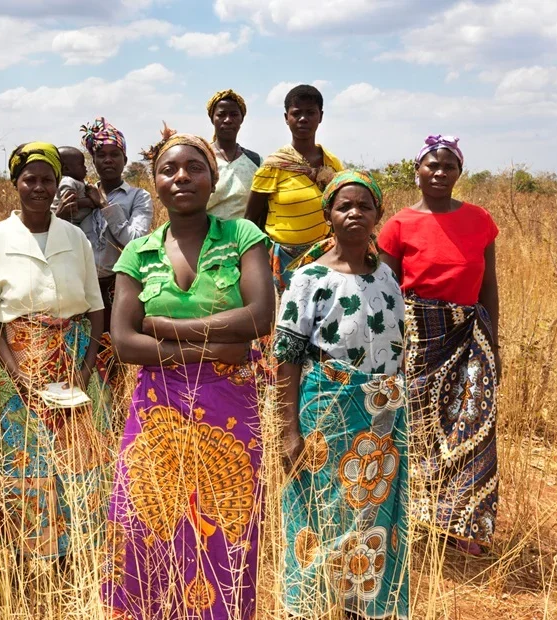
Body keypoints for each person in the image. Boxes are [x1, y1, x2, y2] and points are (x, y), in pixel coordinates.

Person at [101, 126, 275, 619]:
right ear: (154, 181)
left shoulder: (242, 236)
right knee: (141, 523)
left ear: (213, 178)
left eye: (194, 168)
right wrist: (217, 344)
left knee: (226, 525)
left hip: (230, 406)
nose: (181, 177)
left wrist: (165, 327)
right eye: (168, 169)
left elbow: (260, 316)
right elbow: (126, 343)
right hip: (156, 405)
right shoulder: (138, 253)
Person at [0, 141, 112, 560]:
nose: (38, 187)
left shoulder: (74, 237)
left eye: (46, 179)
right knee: (24, 459)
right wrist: (18, 376)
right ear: (15, 183)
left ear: (56, 184)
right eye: (29, 179)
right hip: (17, 361)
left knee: (82, 457)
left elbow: (95, 309)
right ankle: (33, 553)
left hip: (73, 361)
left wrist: (85, 371)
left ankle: (81, 552)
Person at [276, 170, 409, 619]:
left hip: (383, 418)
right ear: (327, 215)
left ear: (378, 215)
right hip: (326, 412)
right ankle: (312, 607)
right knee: (321, 513)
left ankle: (360, 607)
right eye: (344, 206)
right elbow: (288, 357)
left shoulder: (389, 277)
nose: (354, 213)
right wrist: (287, 431)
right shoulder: (308, 279)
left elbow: (398, 347)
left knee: (372, 519)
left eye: (364, 206)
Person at [378, 135, 500, 556]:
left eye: (448, 166)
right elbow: (387, 291)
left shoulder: (481, 220)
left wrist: (493, 345)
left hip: (469, 332)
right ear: (418, 170)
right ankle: (419, 517)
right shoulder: (398, 225)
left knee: (472, 423)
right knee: (418, 425)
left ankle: (467, 524)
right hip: (417, 332)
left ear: (458, 173)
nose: (439, 172)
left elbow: (490, 287)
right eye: (432, 165)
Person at [245, 84, 343, 292]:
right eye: (296, 113)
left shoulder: (332, 163)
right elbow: (251, 219)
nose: (303, 119)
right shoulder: (273, 165)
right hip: (282, 260)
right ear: (286, 117)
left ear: (321, 116)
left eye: (310, 113)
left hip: (323, 255)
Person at [79, 117, 154, 334]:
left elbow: (135, 241)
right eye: (101, 155)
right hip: (83, 283)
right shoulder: (81, 194)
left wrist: (103, 204)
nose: (108, 160)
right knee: (83, 345)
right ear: (93, 161)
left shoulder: (138, 197)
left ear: (125, 159)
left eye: (115, 155)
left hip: (119, 283)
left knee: (116, 345)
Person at [205, 89, 261, 220]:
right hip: (208, 238)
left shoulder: (255, 161)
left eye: (234, 114)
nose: (228, 120)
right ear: (212, 119)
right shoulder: (202, 158)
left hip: (245, 239)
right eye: (221, 114)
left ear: (241, 119)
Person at [52, 146, 94, 226]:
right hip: (71, 221)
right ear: (66, 169)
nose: (85, 168)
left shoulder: (77, 181)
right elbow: (69, 201)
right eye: (81, 165)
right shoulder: (68, 181)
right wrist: (88, 202)